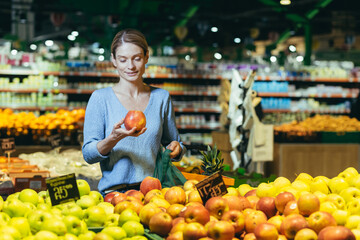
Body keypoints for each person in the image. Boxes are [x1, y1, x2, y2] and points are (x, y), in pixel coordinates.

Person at [82, 29, 186, 195]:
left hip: (154, 195)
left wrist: (176, 149)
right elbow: (88, 155)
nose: (130, 66)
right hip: (114, 195)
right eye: (123, 60)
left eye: (137, 58)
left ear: (146, 57)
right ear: (113, 60)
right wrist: (113, 138)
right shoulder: (100, 98)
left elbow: (175, 143)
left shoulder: (161, 98)